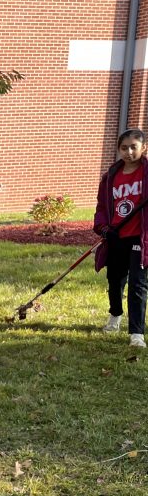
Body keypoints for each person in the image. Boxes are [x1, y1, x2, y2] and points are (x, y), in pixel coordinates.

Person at [93, 128, 148, 348]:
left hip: (140, 237)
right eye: (124, 148)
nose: (129, 152)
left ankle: (136, 333)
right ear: (118, 149)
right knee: (115, 281)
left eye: (134, 147)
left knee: (138, 283)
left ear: (143, 148)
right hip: (116, 236)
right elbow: (102, 206)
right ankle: (115, 315)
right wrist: (103, 227)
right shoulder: (110, 177)